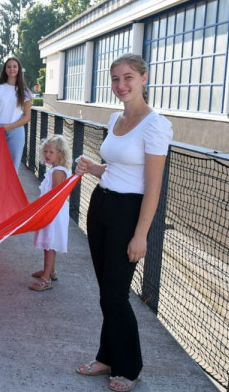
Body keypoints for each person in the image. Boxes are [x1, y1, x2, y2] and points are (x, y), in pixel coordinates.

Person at [74, 53, 173, 392]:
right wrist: (92, 167)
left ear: (144, 78)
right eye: (116, 79)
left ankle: (129, 367)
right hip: (101, 203)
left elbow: (153, 185)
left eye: (128, 77)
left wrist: (141, 234)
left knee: (116, 295)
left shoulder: (156, 124)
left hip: (128, 215)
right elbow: (116, 168)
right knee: (107, 293)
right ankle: (107, 357)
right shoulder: (115, 117)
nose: (121, 85)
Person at [30, 134, 71, 291]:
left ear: (60, 153)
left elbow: (55, 196)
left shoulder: (57, 172)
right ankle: (51, 271)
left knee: (49, 244)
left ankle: (45, 278)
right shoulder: (56, 170)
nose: (47, 155)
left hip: (53, 213)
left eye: (51, 152)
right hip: (53, 211)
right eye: (45, 151)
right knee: (49, 243)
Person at [0, 57, 33, 174]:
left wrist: (10, 126)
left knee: (12, 166)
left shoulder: (25, 92)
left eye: (14, 66)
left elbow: (27, 117)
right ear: (5, 70)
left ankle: (9, 192)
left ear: (19, 69)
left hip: (16, 131)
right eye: (8, 66)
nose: (11, 69)